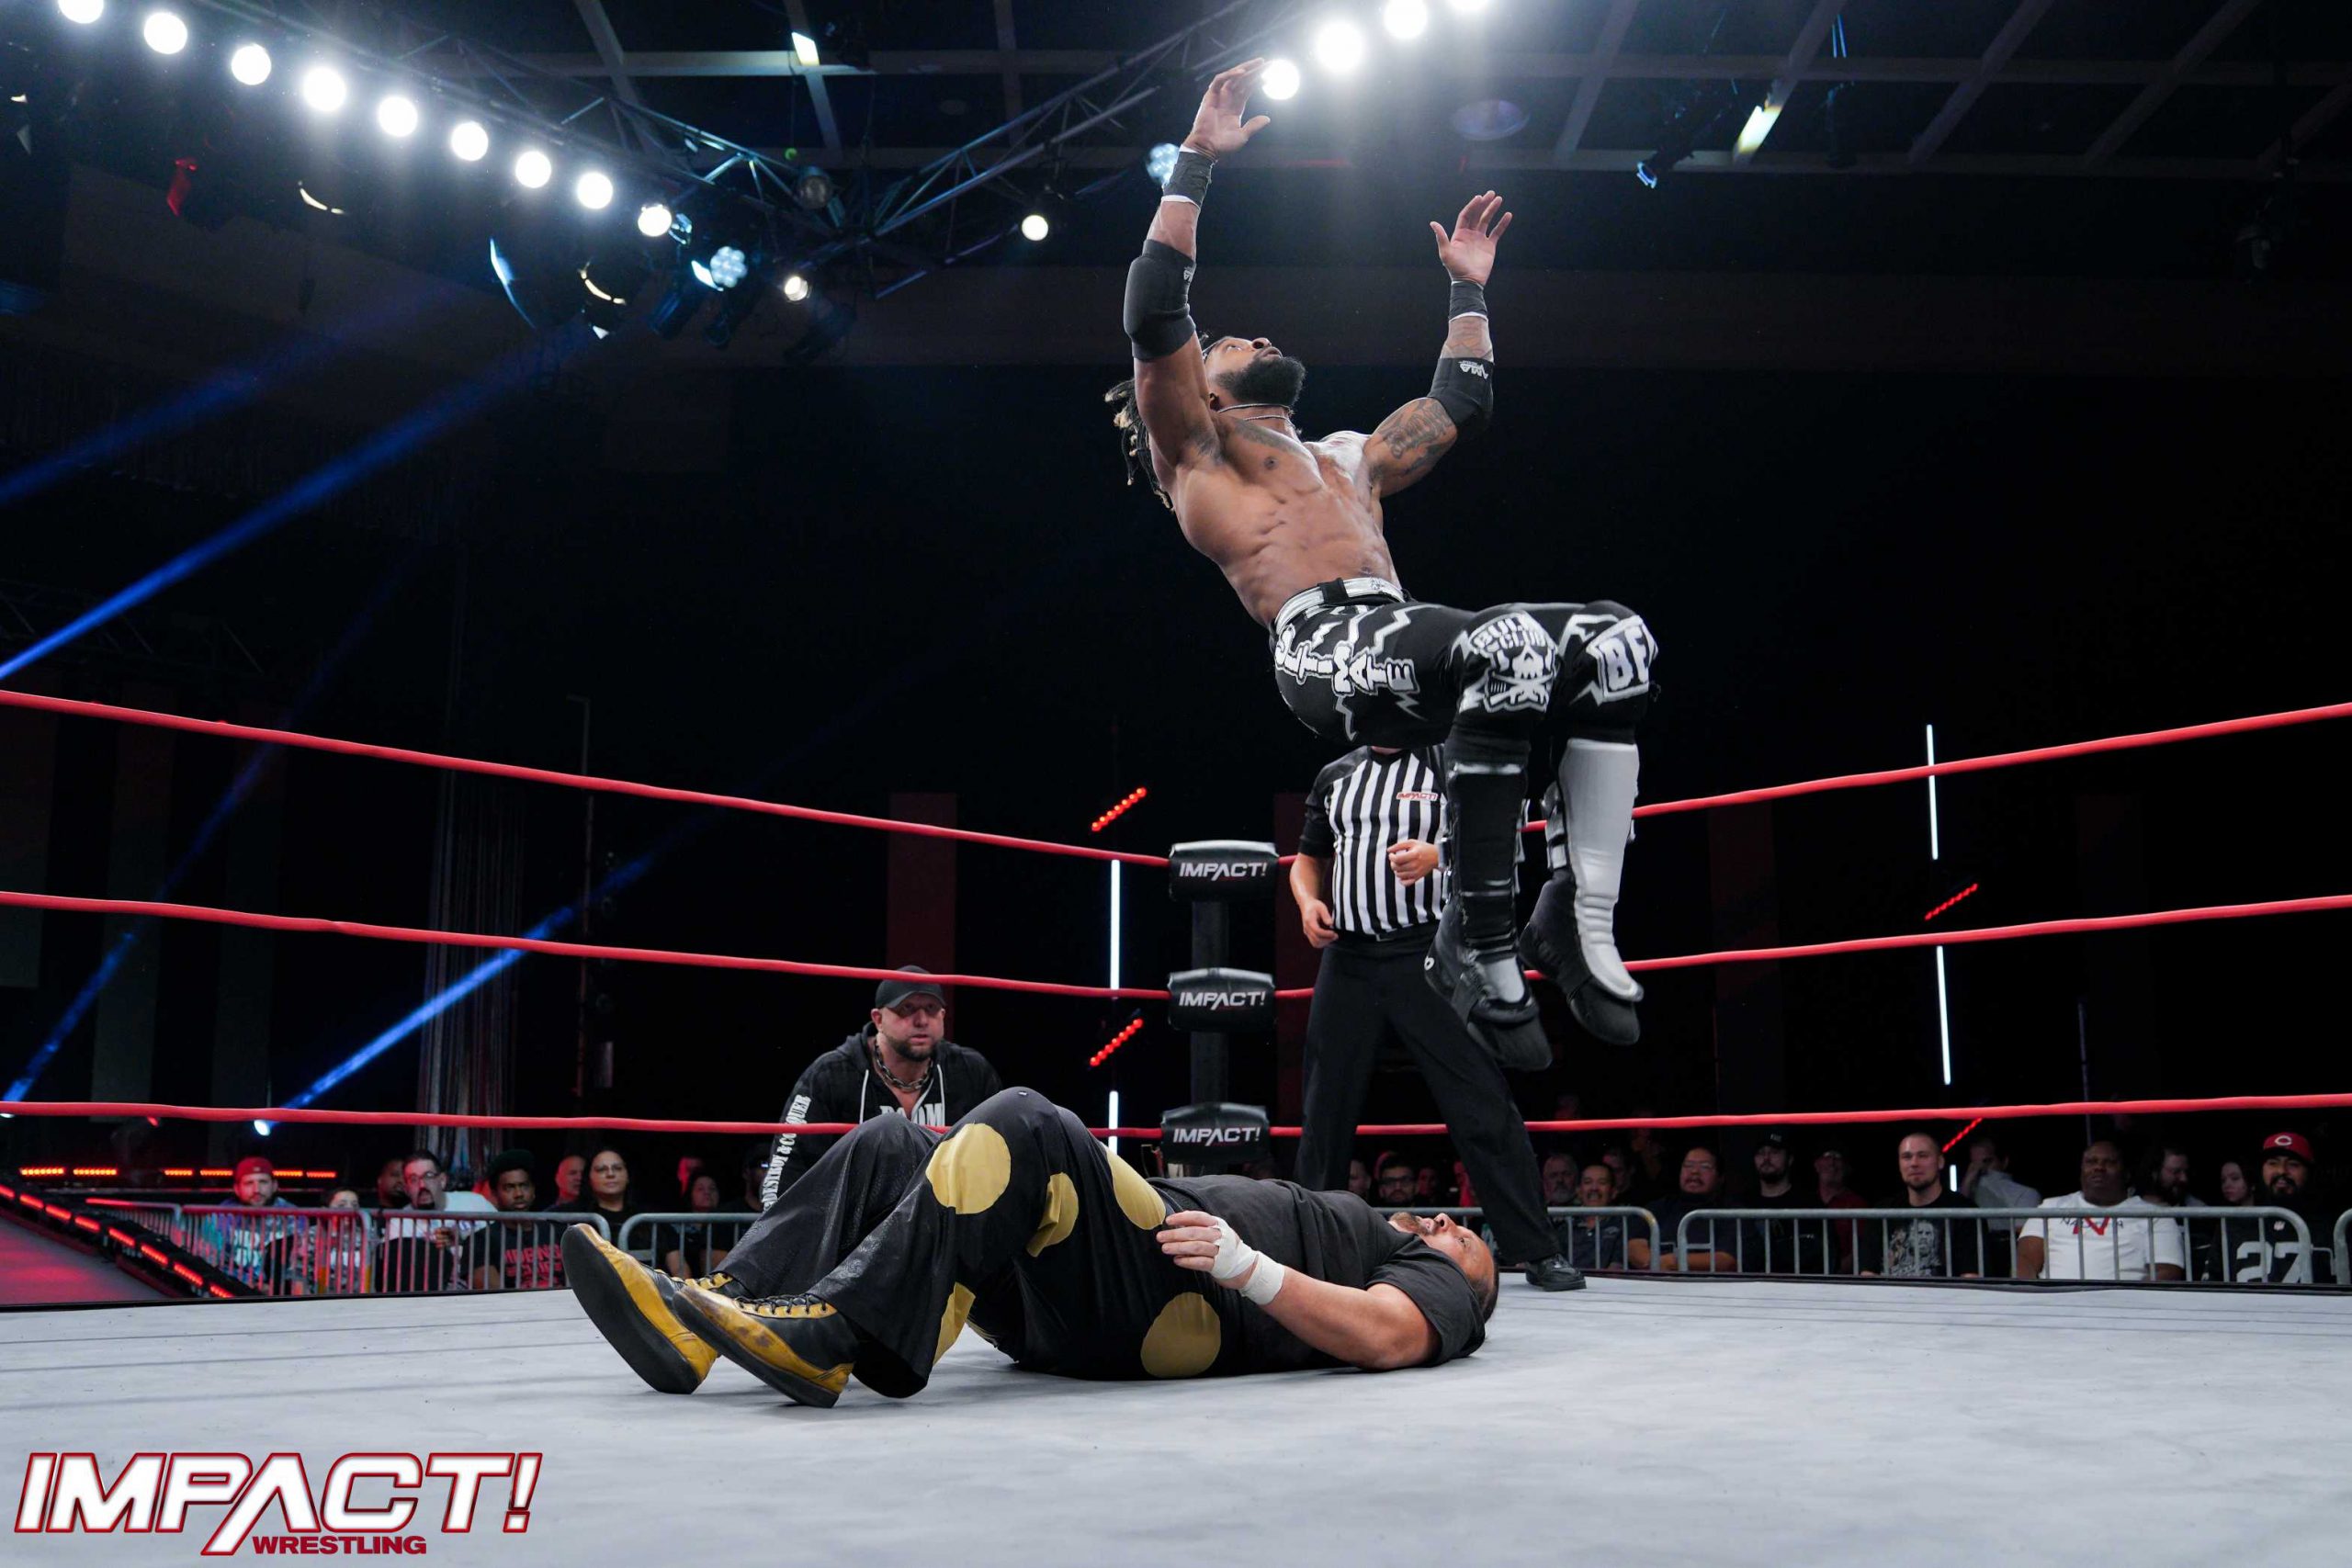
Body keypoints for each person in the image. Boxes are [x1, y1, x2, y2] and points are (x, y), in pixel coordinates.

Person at [1108, 62, 1658, 1067]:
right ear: (1206, 389)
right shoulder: (1199, 454)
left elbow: (1460, 405)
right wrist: (1195, 160)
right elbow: (1153, 311)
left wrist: (1466, 287)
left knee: (1618, 643)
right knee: (1505, 645)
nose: (1257, 335)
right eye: (1230, 344)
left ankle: (1575, 915)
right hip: (1321, 647)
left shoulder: (1349, 455)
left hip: (1404, 633)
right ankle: (1477, 937)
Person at [563, 1088, 1495, 1407]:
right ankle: (701, 1317)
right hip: (1085, 1290)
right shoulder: (1385, 1227)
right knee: (890, 1141)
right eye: (1460, 1228)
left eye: (1472, 1252)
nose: (1458, 1230)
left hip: (1177, 1301)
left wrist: (1243, 1266)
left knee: (1030, 1121)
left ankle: (833, 1336)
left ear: (1470, 1298)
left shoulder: (1423, 1280)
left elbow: (1386, 1335)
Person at [1288, 741, 1583, 1290]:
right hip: (1348, 959)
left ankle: (1538, 1251)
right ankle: (1306, 1252)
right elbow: (1308, 859)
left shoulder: (1448, 760)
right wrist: (1308, 904)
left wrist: (1439, 855)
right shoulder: (1336, 775)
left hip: (1427, 950)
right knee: (1324, 1109)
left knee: (1479, 1098)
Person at [758, 967, 1005, 1205]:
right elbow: (784, 1169)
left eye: (931, 1009)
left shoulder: (970, 1072)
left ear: (942, 1015)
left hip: (942, 1223)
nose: (921, 1020)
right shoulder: (831, 1076)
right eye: (906, 1009)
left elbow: (1002, 1156)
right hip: (856, 1224)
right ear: (878, 1019)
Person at [2016, 1141, 2185, 1282]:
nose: (2098, 1167)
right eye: (2091, 1162)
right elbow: (2025, 1261)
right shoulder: (2050, 1207)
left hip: (2123, 1305)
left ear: (2126, 1173)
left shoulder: (2155, 1216)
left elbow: (2167, 1271)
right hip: (2055, 1303)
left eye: (2109, 1162)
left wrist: (2130, 1301)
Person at [1858, 1131, 1982, 1280]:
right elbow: (1867, 1273)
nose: (1914, 1163)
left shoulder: (1965, 1212)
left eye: (1923, 1156)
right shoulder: (1882, 1212)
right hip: (1890, 1295)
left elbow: (1971, 1277)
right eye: (1907, 1157)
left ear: (1940, 1162)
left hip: (1944, 1295)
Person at [2216, 1131, 2333, 1284]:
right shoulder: (2233, 1225)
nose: (2282, 1171)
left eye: (2293, 1164)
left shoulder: (2331, 1226)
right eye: (2273, 1163)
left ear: (2308, 1172)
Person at [376, 1148, 497, 1292]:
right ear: (407, 1189)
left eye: (429, 1176)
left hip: (478, 1291)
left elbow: (503, 1241)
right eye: (413, 1179)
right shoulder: (399, 1223)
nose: (422, 1185)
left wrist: (462, 1239)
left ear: (442, 1180)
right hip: (432, 1295)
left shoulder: (474, 1202)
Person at [470, 1149, 564, 1292]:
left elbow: (577, 1282)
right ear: (495, 1194)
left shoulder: (556, 1231)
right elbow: (493, 1294)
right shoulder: (481, 1240)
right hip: (514, 1306)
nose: (519, 1194)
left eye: (524, 1186)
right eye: (509, 1188)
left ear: (533, 1190)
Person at [1644, 1146, 1743, 1272]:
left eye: (1705, 1167)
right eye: (1688, 1166)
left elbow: (1726, 1260)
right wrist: (1653, 1263)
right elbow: (1634, 1244)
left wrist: (1672, 1262)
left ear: (1720, 1177)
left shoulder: (1732, 1213)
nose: (1694, 1172)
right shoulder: (1660, 1207)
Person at [1746, 1130, 1830, 1275]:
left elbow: (1827, 1255)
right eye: (1761, 1153)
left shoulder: (1809, 1204)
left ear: (1789, 1159)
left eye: (1774, 1152)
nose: (1766, 1158)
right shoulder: (1744, 1203)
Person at [1959, 1131, 2040, 1276]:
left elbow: (2024, 1239)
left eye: (1986, 1162)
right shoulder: (1965, 1194)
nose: (1980, 1170)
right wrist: (1967, 1184)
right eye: (1974, 1164)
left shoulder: (2026, 1194)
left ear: (2004, 1162)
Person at [560, 1145, 644, 1252]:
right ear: (589, 1177)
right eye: (601, 1170)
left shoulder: (647, 1218)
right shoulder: (570, 1217)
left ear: (628, 1176)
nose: (610, 1174)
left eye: (618, 1168)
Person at [1811, 1145, 1870, 1273]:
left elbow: (1859, 1251)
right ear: (1816, 1165)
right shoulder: (1806, 1202)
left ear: (1847, 1168)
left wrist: (1832, 1275)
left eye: (1838, 1157)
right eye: (1827, 1156)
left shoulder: (1857, 1205)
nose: (1832, 1163)